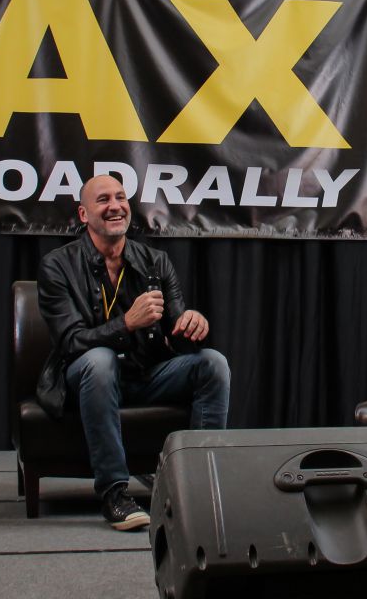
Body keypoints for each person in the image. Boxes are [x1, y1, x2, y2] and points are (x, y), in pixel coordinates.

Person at [36, 174, 230, 531]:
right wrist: (126, 323)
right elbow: (70, 343)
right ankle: (114, 492)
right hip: (86, 379)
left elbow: (177, 330)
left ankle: (203, 487)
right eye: (104, 200)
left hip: (145, 375)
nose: (115, 206)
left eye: (121, 197)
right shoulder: (57, 265)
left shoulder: (155, 261)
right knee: (99, 360)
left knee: (213, 364)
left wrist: (192, 322)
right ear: (83, 214)